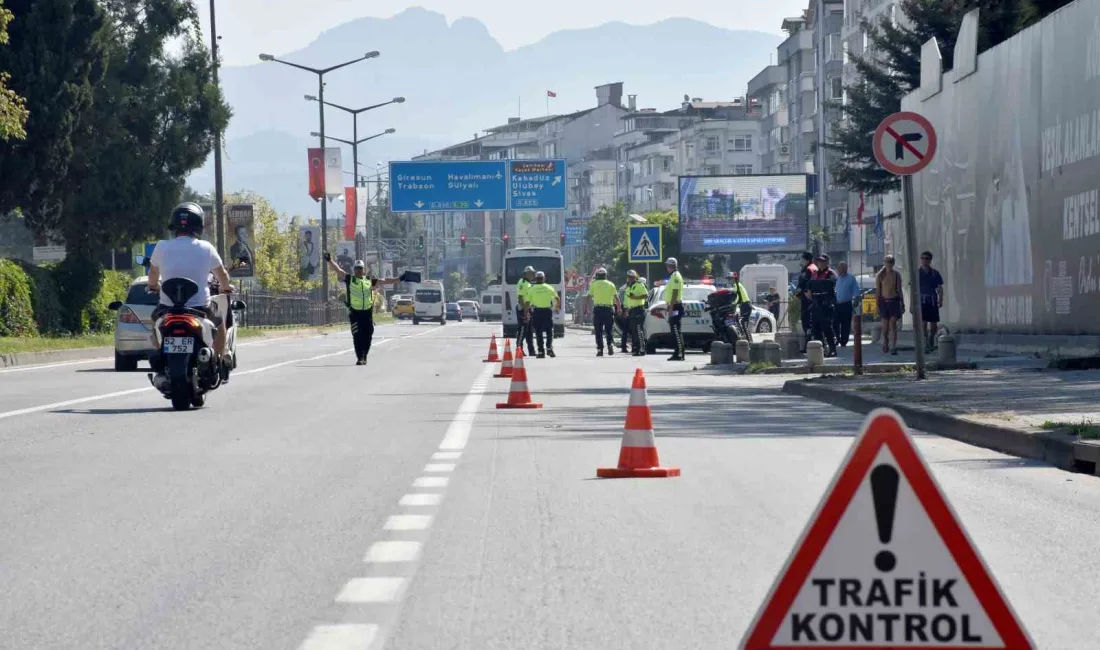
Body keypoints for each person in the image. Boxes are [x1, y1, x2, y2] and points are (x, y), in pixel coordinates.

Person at [147, 203, 233, 383]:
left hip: (168, 308)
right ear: (198, 225)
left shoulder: (162, 246)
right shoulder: (206, 247)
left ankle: (160, 353)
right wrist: (226, 287)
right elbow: (222, 274)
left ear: (173, 226)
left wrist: (153, 286)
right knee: (219, 321)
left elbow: (153, 273)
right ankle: (217, 359)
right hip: (200, 307)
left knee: (155, 323)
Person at [325, 252, 375, 365]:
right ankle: (360, 357)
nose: (358, 270)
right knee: (357, 335)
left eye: (360, 268)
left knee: (368, 335)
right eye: (357, 268)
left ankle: (364, 355)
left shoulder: (368, 280)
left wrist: (402, 278)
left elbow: (385, 281)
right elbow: (338, 270)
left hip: (367, 314)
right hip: (355, 313)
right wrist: (329, 260)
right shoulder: (350, 279)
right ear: (354, 269)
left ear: (364, 269)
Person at [808, 254, 838, 357]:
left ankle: (832, 349)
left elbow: (830, 284)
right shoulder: (815, 274)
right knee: (816, 328)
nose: (820, 263)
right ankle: (821, 349)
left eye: (822, 261)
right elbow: (810, 286)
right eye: (819, 261)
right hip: (816, 303)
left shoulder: (831, 273)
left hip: (826, 303)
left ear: (827, 262)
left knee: (827, 327)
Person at [525, 271, 560, 358]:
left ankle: (541, 351)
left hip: (537, 312)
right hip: (547, 312)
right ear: (544, 278)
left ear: (536, 279)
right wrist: (556, 307)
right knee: (549, 331)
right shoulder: (548, 287)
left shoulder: (531, 289)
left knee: (538, 332)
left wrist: (526, 313)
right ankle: (549, 348)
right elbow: (557, 298)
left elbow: (527, 302)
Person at [876, 255, 905, 355]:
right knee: (885, 328)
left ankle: (893, 346)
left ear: (893, 263)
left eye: (891, 261)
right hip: (884, 303)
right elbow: (878, 292)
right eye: (887, 261)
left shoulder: (896, 275)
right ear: (884, 262)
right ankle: (885, 342)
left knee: (892, 324)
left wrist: (903, 303)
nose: (889, 263)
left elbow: (899, 290)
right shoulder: (880, 276)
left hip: (894, 302)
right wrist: (877, 305)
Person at [588, 267, 620, 356]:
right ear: (605, 275)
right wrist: (619, 308)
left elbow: (589, 297)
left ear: (597, 275)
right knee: (609, 330)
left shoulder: (594, 284)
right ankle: (610, 345)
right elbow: (616, 298)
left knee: (598, 330)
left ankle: (600, 349)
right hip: (608, 309)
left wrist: (587, 308)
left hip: (598, 310)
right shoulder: (611, 284)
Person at [919, 251, 944, 352]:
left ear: (930, 260)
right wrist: (912, 304)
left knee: (933, 325)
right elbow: (913, 290)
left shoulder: (935, 273)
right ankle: (925, 344)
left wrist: (940, 299)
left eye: (926, 258)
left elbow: (939, 288)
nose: (924, 260)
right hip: (922, 301)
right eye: (922, 258)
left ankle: (931, 339)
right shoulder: (917, 273)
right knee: (923, 324)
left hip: (932, 300)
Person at [833, 261, 860, 347]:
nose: (840, 270)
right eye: (839, 268)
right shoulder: (836, 279)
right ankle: (837, 338)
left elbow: (856, 291)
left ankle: (844, 341)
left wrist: (856, 300)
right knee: (835, 323)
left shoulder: (851, 278)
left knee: (846, 323)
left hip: (846, 304)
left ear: (846, 268)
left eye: (843, 268)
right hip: (837, 304)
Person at [795, 251, 818, 353]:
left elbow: (802, 283)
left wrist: (799, 292)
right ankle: (811, 344)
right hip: (814, 299)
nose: (802, 261)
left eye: (803, 259)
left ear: (806, 260)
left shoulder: (808, 269)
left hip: (807, 298)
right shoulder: (815, 268)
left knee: (806, 322)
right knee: (813, 322)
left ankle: (807, 346)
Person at [663, 257, 685, 361]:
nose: (666, 267)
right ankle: (677, 353)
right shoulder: (672, 276)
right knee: (674, 331)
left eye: (667, 265)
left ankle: (680, 353)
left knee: (676, 331)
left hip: (676, 306)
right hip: (673, 305)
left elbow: (675, 292)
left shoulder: (676, 276)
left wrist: (671, 307)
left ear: (671, 266)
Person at [623, 270, 649, 357]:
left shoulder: (639, 285)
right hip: (631, 311)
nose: (630, 279)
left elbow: (646, 295)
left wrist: (635, 297)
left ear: (635, 277)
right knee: (634, 331)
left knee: (638, 330)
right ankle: (637, 349)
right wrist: (626, 312)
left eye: (632, 277)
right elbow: (626, 302)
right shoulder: (628, 288)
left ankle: (642, 349)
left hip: (639, 309)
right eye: (628, 277)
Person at [515, 266, 536, 357]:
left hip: (528, 309)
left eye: (533, 273)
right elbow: (520, 298)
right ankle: (518, 349)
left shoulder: (527, 283)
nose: (533, 275)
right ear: (526, 274)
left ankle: (531, 351)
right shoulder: (523, 283)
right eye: (531, 273)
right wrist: (525, 311)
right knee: (522, 331)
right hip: (523, 309)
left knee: (529, 332)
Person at [727, 271, 753, 340]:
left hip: (745, 305)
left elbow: (736, 297)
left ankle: (749, 341)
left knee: (743, 323)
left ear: (734, 279)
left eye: (730, 279)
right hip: (744, 305)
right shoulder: (737, 285)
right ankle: (747, 339)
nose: (729, 280)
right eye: (728, 279)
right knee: (741, 322)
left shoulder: (736, 285)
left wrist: (733, 303)